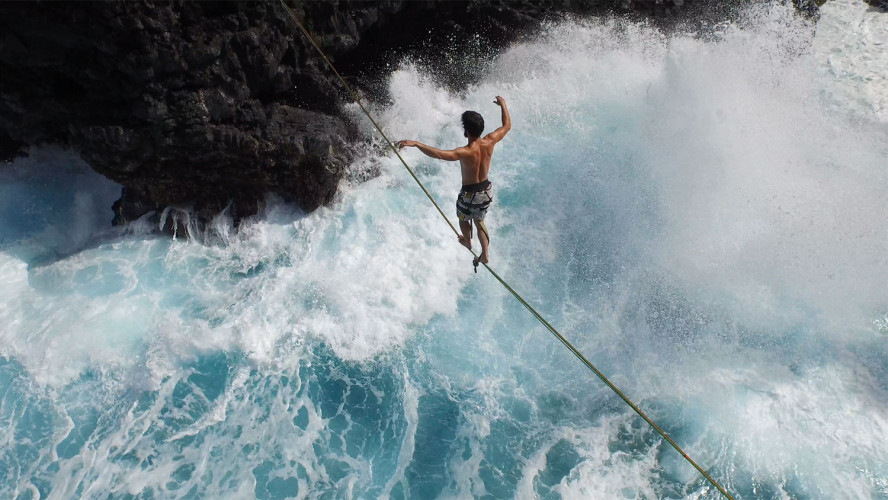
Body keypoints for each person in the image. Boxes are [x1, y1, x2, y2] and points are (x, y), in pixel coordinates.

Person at [397, 96, 511, 267]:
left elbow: (441, 154)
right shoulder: (490, 140)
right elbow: (506, 126)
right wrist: (503, 105)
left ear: (466, 131)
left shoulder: (465, 151)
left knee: (463, 218)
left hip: (469, 193)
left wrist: (417, 144)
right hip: (486, 190)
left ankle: (467, 241)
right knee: (479, 220)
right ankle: (485, 254)